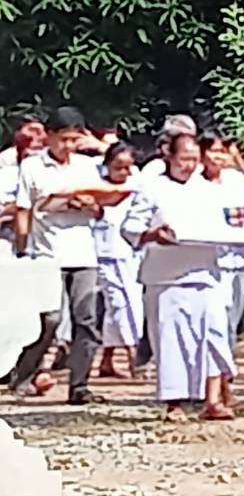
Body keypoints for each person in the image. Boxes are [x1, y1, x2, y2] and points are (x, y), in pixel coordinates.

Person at [122, 133, 237, 421]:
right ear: (169, 157)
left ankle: (213, 399)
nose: (189, 166)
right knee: (171, 341)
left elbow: (225, 225)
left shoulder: (210, 190)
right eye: (184, 159)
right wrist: (154, 235)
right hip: (166, 276)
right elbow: (131, 227)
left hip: (205, 272)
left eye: (194, 160)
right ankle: (175, 403)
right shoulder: (152, 187)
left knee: (214, 334)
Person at [10, 106, 104, 405]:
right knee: (49, 319)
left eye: (74, 140)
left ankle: (80, 385)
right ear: (49, 137)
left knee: (86, 319)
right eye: (63, 139)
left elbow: (100, 207)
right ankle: (23, 375)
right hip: (48, 253)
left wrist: (89, 204)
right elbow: (23, 208)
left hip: (83, 252)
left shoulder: (86, 167)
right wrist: (23, 249)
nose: (68, 146)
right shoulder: (32, 167)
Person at [198, 131, 244, 351]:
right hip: (211, 256)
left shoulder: (237, 180)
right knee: (215, 312)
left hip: (239, 254)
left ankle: (226, 364)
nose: (219, 157)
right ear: (202, 153)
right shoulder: (194, 182)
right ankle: (214, 362)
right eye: (213, 151)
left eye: (223, 152)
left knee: (234, 310)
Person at [94, 142, 143, 379]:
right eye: (117, 167)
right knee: (124, 304)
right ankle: (134, 354)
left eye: (127, 167)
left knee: (118, 307)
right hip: (106, 253)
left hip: (130, 253)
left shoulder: (137, 186)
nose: (123, 172)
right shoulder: (95, 187)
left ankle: (107, 358)